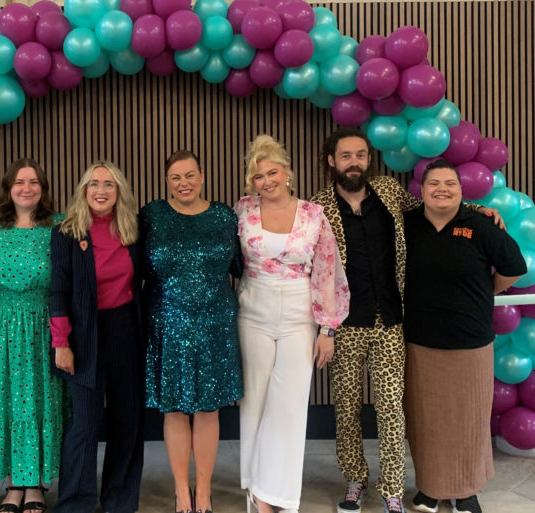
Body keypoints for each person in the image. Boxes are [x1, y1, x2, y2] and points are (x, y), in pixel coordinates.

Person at [310, 128, 502, 513]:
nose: (354, 163)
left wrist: (478, 212)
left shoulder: (388, 192)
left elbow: (435, 208)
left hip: (391, 323)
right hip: (344, 325)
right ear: (331, 161)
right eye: (345, 156)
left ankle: (394, 488)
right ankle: (354, 479)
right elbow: (314, 270)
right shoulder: (316, 208)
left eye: (360, 155)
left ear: (369, 159)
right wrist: (324, 328)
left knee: (391, 408)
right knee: (345, 407)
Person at [403, 160, 525, 513]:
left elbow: (513, 267)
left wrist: (484, 290)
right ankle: (429, 488)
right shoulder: (407, 226)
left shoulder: (480, 224)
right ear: (422, 191)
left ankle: (466, 490)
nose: (442, 188)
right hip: (421, 341)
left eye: (450, 183)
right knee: (427, 420)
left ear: (462, 190)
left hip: (470, 342)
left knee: (469, 419)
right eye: (434, 183)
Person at [236, 135, 350, 513]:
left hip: (301, 313)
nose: (266, 181)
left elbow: (327, 272)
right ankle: (255, 488)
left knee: (290, 405)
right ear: (250, 182)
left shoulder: (314, 214)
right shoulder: (242, 212)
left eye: (273, 172)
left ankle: (277, 493)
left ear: (287, 172)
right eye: (258, 176)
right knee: (254, 401)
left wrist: (327, 328)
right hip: (253, 311)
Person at [141, 150, 243, 513]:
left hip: (215, 323)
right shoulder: (152, 215)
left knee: (208, 410)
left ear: (202, 177)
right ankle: (181, 491)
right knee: (173, 410)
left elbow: (240, 266)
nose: (183, 183)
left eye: (189, 175)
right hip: (166, 324)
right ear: (167, 182)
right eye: (175, 178)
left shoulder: (223, 216)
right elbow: (136, 266)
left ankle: (204, 491)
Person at [50, 161, 144, 513]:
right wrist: (61, 343)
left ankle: (120, 500)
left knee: (127, 420)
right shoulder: (66, 232)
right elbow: (58, 289)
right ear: (83, 191)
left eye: (108, 184)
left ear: (119, 191)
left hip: (126, 333)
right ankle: (76, 502)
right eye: (93, 184)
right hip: (84, 335)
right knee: (84, 425)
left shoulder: (133, 230)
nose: (101, 190)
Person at [0, 159, 68, 513]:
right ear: (7, 188)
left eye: (33, 182)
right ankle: (14, 483)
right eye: (18, 182)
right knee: (6, 400)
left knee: (39, 401)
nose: (26, 188)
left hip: (42, 324)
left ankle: (37, 484)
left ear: (43, 188)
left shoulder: (59, 226)